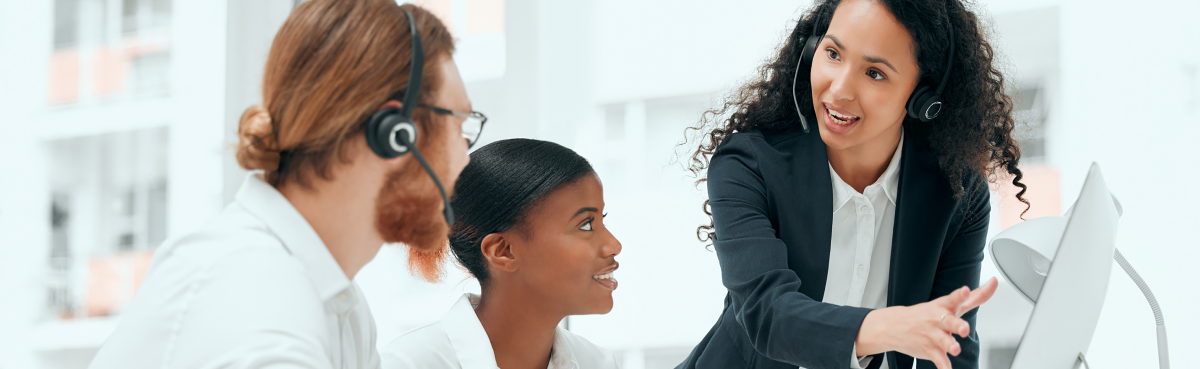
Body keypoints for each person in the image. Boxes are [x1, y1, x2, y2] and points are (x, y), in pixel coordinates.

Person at [88, 1, 483, 368]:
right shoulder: (255, 301)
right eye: (459, 125)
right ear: (397, 134)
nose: (466, 158)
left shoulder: (340, 307)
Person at [677, 0, 1024, 368]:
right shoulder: (749, 163)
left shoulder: (956, 192)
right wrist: (886, 327)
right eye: (832, 53)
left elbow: (950, 349)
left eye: (874, 73)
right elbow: (767, 313)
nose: (839, 89)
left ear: (924, 96)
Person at [381, 139, 622, 369]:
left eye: (602, 220)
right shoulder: (413, 363)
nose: (614, 245)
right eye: (586, 225)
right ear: (503, 251)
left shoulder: (598, 362)